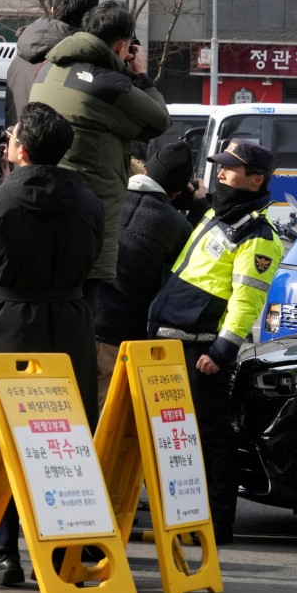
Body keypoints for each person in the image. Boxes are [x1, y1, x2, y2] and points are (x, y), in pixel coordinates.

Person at [0, 101, 103, 585]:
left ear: (22, 150)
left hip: (4, 325)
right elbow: (94, 257)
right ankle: (60, 555)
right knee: (61, 443)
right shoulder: (90, 202)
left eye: (12, 137)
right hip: (70, 327)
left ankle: (2, 553)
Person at [148, 139, 284, 546]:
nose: (220, 174)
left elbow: (247, 302)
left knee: (211, 438)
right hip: (173, 342)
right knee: (177, 437)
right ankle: (184, 518)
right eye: (219, 166)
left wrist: (222, 351)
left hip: (201, 350)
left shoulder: (258, 236)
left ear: (255, 180)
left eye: (229, 169)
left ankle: (217, 524)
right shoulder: (217, 214)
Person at [30, 0, 172, 286]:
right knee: (82, 311)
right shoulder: (108, 86)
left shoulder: (49, 68)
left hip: (42, 203)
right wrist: (141, 76)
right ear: (122, 45)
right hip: (89, 216)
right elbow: (158, 122)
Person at [95, 140, 194, 410]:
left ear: (147, 171)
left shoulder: (106, 199)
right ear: (179, 191)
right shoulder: (177, 225)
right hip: (122, 336)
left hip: (81, 323)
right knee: (107, 423)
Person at [5, 0, 98, 126]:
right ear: (91, 17)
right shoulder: (82, 61)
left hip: (17, 145)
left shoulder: (19, 60)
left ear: (53, 10)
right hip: (59, 146)